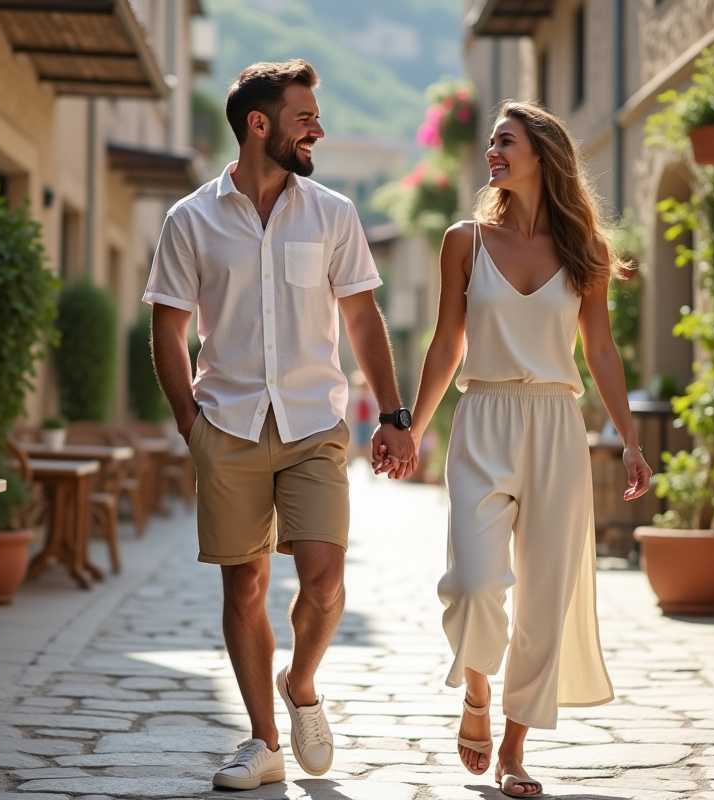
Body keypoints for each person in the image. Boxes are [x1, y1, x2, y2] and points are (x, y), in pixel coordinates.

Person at [144, 59, 415, 791]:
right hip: (227, 423)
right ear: (258, 124)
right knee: (245, 588)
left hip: (313, 423)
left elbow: (362, 318)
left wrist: (393, 414)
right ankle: (263, 742)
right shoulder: (190, 219)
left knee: (324, 581)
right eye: (305, 118)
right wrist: (190, 424)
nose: (317, 129)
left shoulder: (333, 213)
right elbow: (168, 328)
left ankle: (301, 682)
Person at [404, 100, 652, 797]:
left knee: (545, 600)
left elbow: (600, 350)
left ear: (541, 153)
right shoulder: (465, 241)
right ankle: (477, 690)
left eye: (505, 141)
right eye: (490, 141)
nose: (492, 151)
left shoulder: (585, 250)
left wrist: (630, 440)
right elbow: (446, 344)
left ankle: (514, 750)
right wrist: (415, 430)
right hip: (482, 417)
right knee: (473, 583)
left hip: (555, 423)